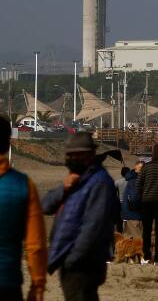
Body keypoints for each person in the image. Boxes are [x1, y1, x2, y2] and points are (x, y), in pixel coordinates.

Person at [42, 131, 119, 301]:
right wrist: (64, 188)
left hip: (84, 264)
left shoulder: (100, 183)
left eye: (74, 155)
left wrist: (72, 259)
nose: (70, 160)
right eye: (68, 155)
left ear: (88, 156)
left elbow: (93, 228)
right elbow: (45, 206)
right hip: (70, 261)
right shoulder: (77, 179)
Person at [0, 116, 46, 301]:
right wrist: (38, 284)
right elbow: (35, 246)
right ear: (8, 144)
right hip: (7, 283)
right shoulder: (23, 185)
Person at [121, 161, 144, 239]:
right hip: (134, 214)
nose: (142, 169)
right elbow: (134, 198)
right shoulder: (135, 180)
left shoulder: (132, 178)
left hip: (129, 213)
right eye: (140, 167)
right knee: (139, 239)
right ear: (135, 167)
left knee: (127, 238)